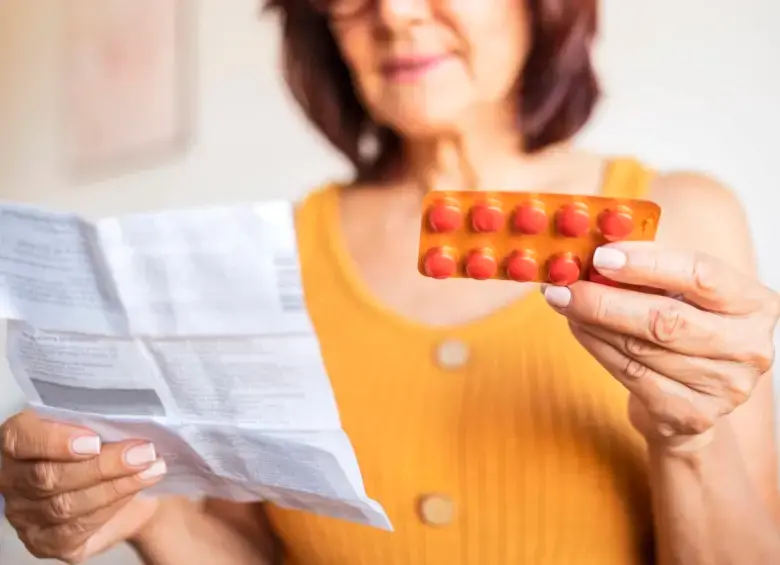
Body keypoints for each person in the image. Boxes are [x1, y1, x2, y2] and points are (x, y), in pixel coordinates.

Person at [1, 0, 779, 563]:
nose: (396, 14)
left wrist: (692, 439)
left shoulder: (684, 220)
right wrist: (148, 514)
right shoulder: (277, 253)